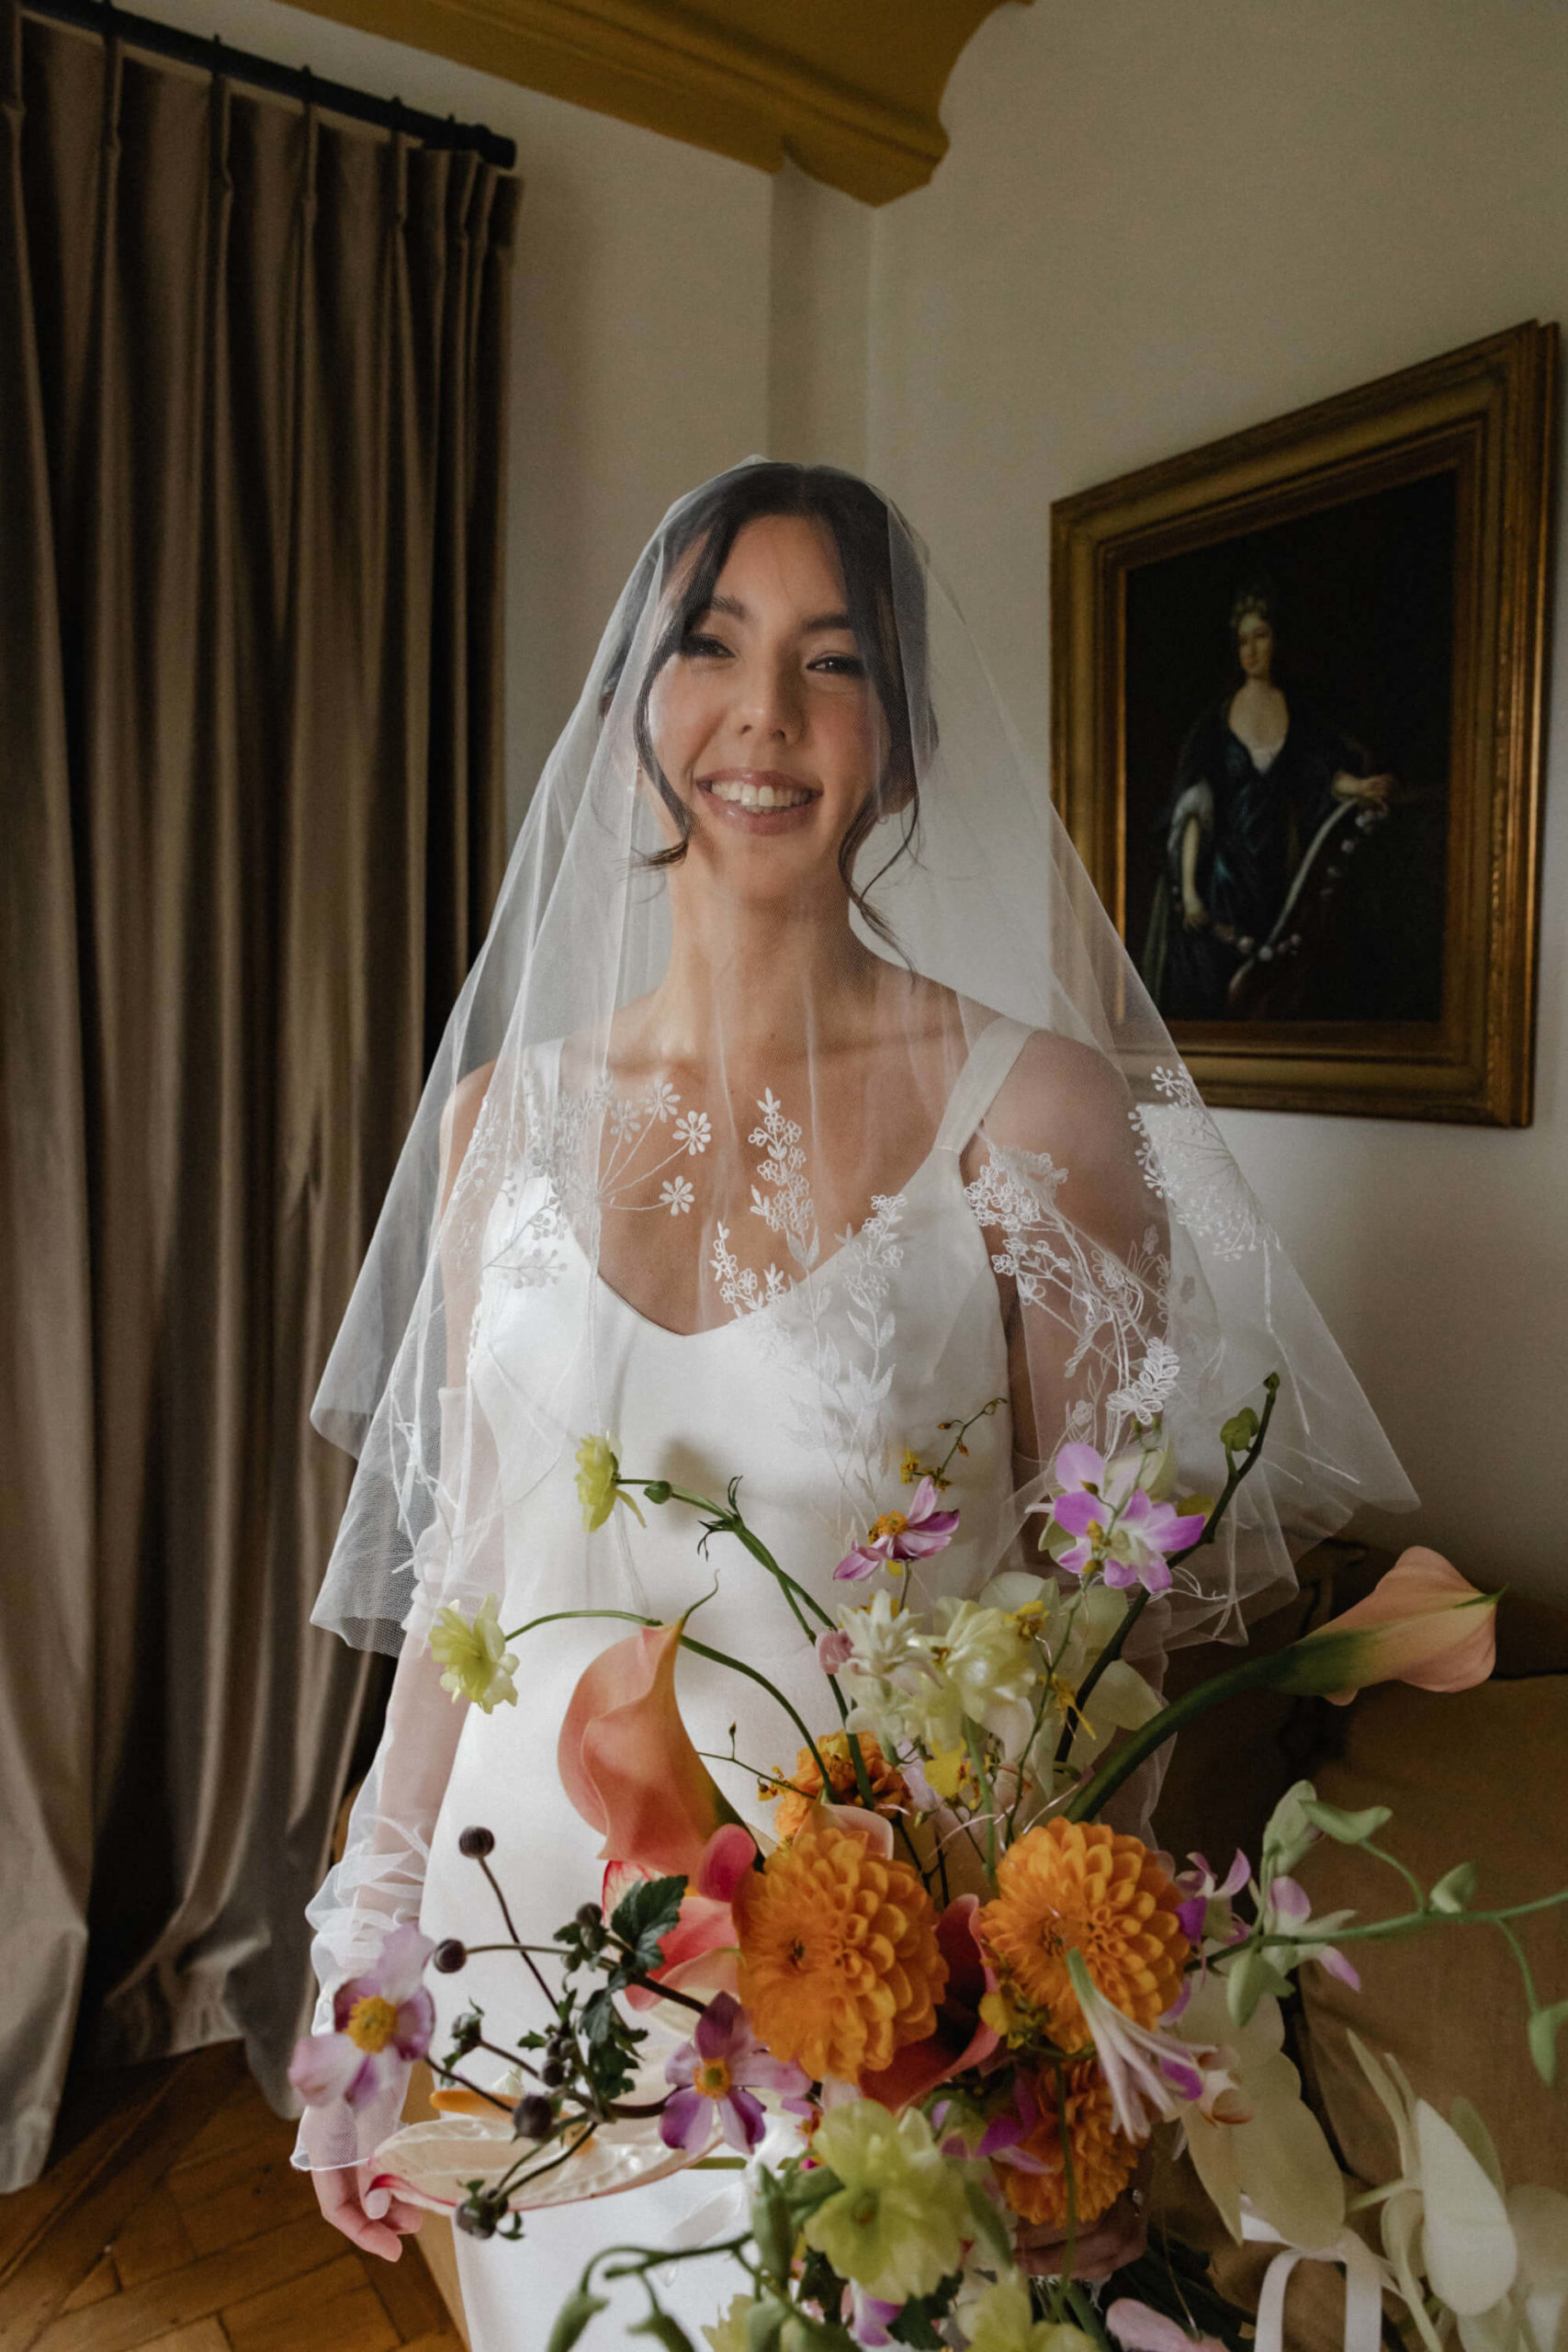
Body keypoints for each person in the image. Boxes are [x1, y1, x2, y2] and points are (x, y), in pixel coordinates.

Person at [291, 465, 1414, 2345]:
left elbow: (1095, 1640)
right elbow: (464, 1586)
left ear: (898, 747)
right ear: (632, 699)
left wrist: (1046, 2042)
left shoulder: (1038, 1116)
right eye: (710, 646)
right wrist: (365, 1952)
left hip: (853, 2018)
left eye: (832, 664)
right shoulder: (502, 1123)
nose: (763, 715)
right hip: (523, 1973)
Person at [1142, 582, 1394, 1020]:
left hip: (1278, 865)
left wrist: (1362, 787)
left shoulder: (1295, 711)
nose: (1252, 650)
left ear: (1276, 640)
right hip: (1226, 872)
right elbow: (1195, 810)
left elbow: (1319, 773)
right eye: (1243, 641)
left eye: (1260, 637)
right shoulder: (1217, 722)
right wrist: (1193, 892)